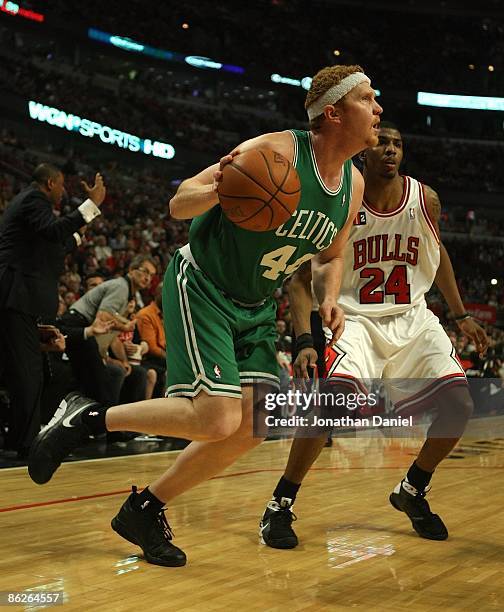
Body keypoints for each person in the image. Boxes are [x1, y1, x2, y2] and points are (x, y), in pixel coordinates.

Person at [28, 64, 383, 567]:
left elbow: (330, 256)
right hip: (205, 286)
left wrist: (331, 296)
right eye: (368, 99)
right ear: (333, 113)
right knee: (217, 418)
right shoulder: (272, 152)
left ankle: (144, 508)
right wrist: (222, 187)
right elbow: (178, 203)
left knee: (251, 426)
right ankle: (86, 415)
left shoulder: (353, 187)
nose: (379, 109)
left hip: (257, 304)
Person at [259, 123, 489, 549]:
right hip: (356, 320)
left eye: (398, 144)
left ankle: (413, 489)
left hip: (413, 319)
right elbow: (299, 278)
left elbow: (437, 258)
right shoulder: (339, 198)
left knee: (460, 403)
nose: (391, 150)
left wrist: (459, 316)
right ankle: (280, 503)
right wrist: (306, 341)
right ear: (365, 149)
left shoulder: (426, 200)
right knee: (331, 406)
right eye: (383, 142)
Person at [0, 163, 105, 458]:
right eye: (61, 186)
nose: (62, 192)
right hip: (15, 296)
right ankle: (25, 442)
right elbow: (54, 231)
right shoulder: (34, 200)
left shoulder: (30, 212)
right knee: (27, 373)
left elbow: (56, 244)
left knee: (30, 371)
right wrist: (91, 204)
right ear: (49, 183)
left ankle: (23, 439)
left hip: (19, 299)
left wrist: (87, 217)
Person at [58, 255, 157, 406]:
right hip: (75, 324)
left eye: (151, 275)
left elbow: (107, 335)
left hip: (82, 328)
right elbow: (103, 317)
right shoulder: (122, 287)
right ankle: (106, 424)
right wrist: (124, 326)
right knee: (100, 385)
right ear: (131, 270)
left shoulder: (128, 292)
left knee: (96, 382)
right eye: (145, 272)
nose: (147, 277)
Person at [135, 282, 167, 397]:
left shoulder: (167, 313)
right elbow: (152, 348)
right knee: (174, 370)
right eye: (166, 293)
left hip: (161, 356)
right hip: (149, 358)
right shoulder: (146, 314)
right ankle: (164, 408)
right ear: (157, 294)